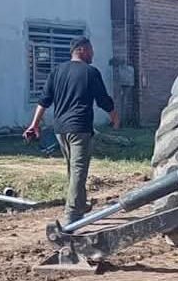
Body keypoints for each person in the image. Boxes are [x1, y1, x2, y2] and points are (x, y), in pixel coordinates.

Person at [24, 36, 115, 225]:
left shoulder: (57, 71)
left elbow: (44, 101)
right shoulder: (90, 72)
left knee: (72, 169)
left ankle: (80, 204)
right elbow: (103, 100)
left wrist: (34, 124)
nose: (93, 53)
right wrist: (114, 116)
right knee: (79, 170)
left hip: (60, 129)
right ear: (81, 50)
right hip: (80, 127)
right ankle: (72, 215)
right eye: (90, 49)